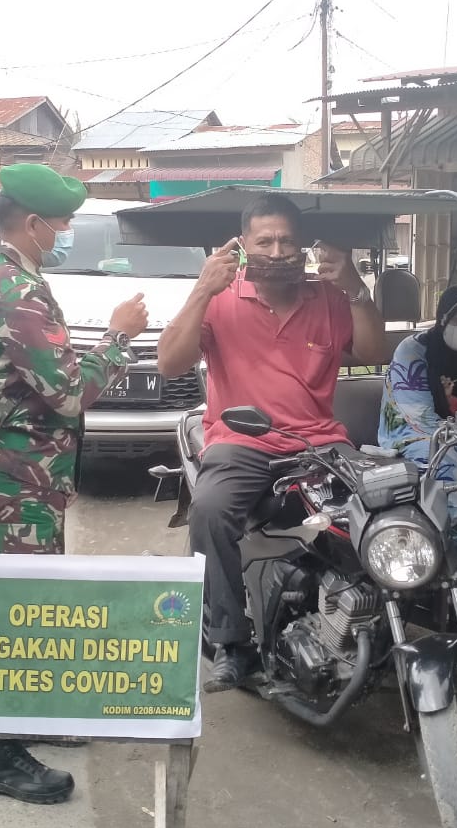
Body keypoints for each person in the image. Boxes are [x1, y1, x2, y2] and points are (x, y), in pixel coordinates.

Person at [0, 163, 149, 804]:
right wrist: (120, 338)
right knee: (18, 610)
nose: (67, 230)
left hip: (24, 470)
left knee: (30, 596)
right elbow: (68, 392)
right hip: (20, 474)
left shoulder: (10, 271)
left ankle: (33, 716)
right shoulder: (16, 288)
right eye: (63, 221)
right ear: (33, 221)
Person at [157, 192, 389, 691]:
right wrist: (201, 290)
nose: (278, 251)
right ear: (243, 245)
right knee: (212, 511)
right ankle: (230, 641)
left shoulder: (328, 297)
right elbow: (170, 364)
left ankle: (366, 618)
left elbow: (375, 351)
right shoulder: (220, 297)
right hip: (241, 441)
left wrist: (357, 289)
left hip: (321, 444)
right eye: (265, 241)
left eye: (288, 241)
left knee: (381, 508)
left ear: (303, 246)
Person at [377, 285, 457, 463]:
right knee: (450, 461)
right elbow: (420, 418)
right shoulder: (412, 351)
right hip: (410, 434)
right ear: (444, 318)